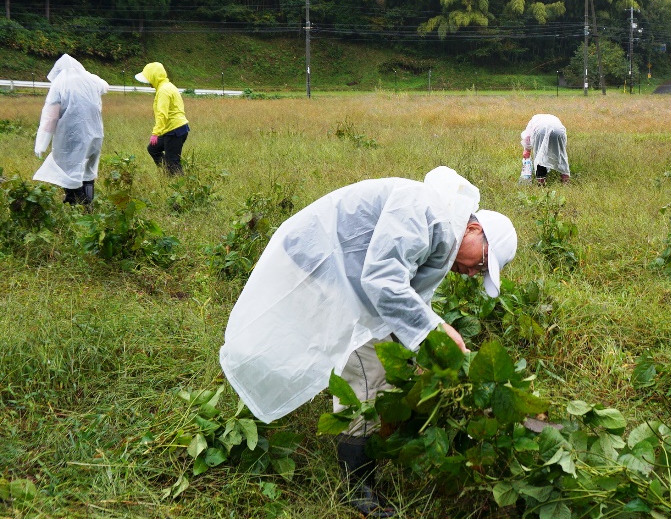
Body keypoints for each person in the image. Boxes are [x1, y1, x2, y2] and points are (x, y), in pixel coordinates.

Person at [219, 167, 517, 514]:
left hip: (345, 272)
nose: (471, 273)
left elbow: (410, 300)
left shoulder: (442, 233)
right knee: (366, 372)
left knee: (360, 355)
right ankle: (356, 484)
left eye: (480, 273)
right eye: (480, 263)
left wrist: (431, 343)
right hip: (317, 260)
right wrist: (434, 332)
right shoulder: (425, 211)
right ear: (474, 229)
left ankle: (354, 431)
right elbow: (382, 281)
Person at [32, 54, 109, 205]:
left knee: (67, 171)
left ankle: (81, 204)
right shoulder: (91, 79)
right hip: (95, 134)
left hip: (72, 136)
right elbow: (105, 86)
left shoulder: (60, 83)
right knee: (88, 171)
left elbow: (50, 118)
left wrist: (41, 144)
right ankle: (83, 203)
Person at [134, 62, 189, 175]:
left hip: (175, 131)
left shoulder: (164, 90)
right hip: (173, 129)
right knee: (153, 149)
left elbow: (162, 114)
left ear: (154, 77)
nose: (148, 83)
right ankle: (167, 172)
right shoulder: (167, 86)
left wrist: (156, 133)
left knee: (173, 162)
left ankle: (179, 183)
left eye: (149, 79)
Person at [521, 113, 570, 186]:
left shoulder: (534, 120)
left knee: (540, 156)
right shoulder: (554, 118)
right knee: (561, 156)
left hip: (540, 130)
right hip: (559, 131)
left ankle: (541, 184)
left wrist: (527, 149)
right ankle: (565, 182)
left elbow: (527, 137)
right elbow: (563, 141)